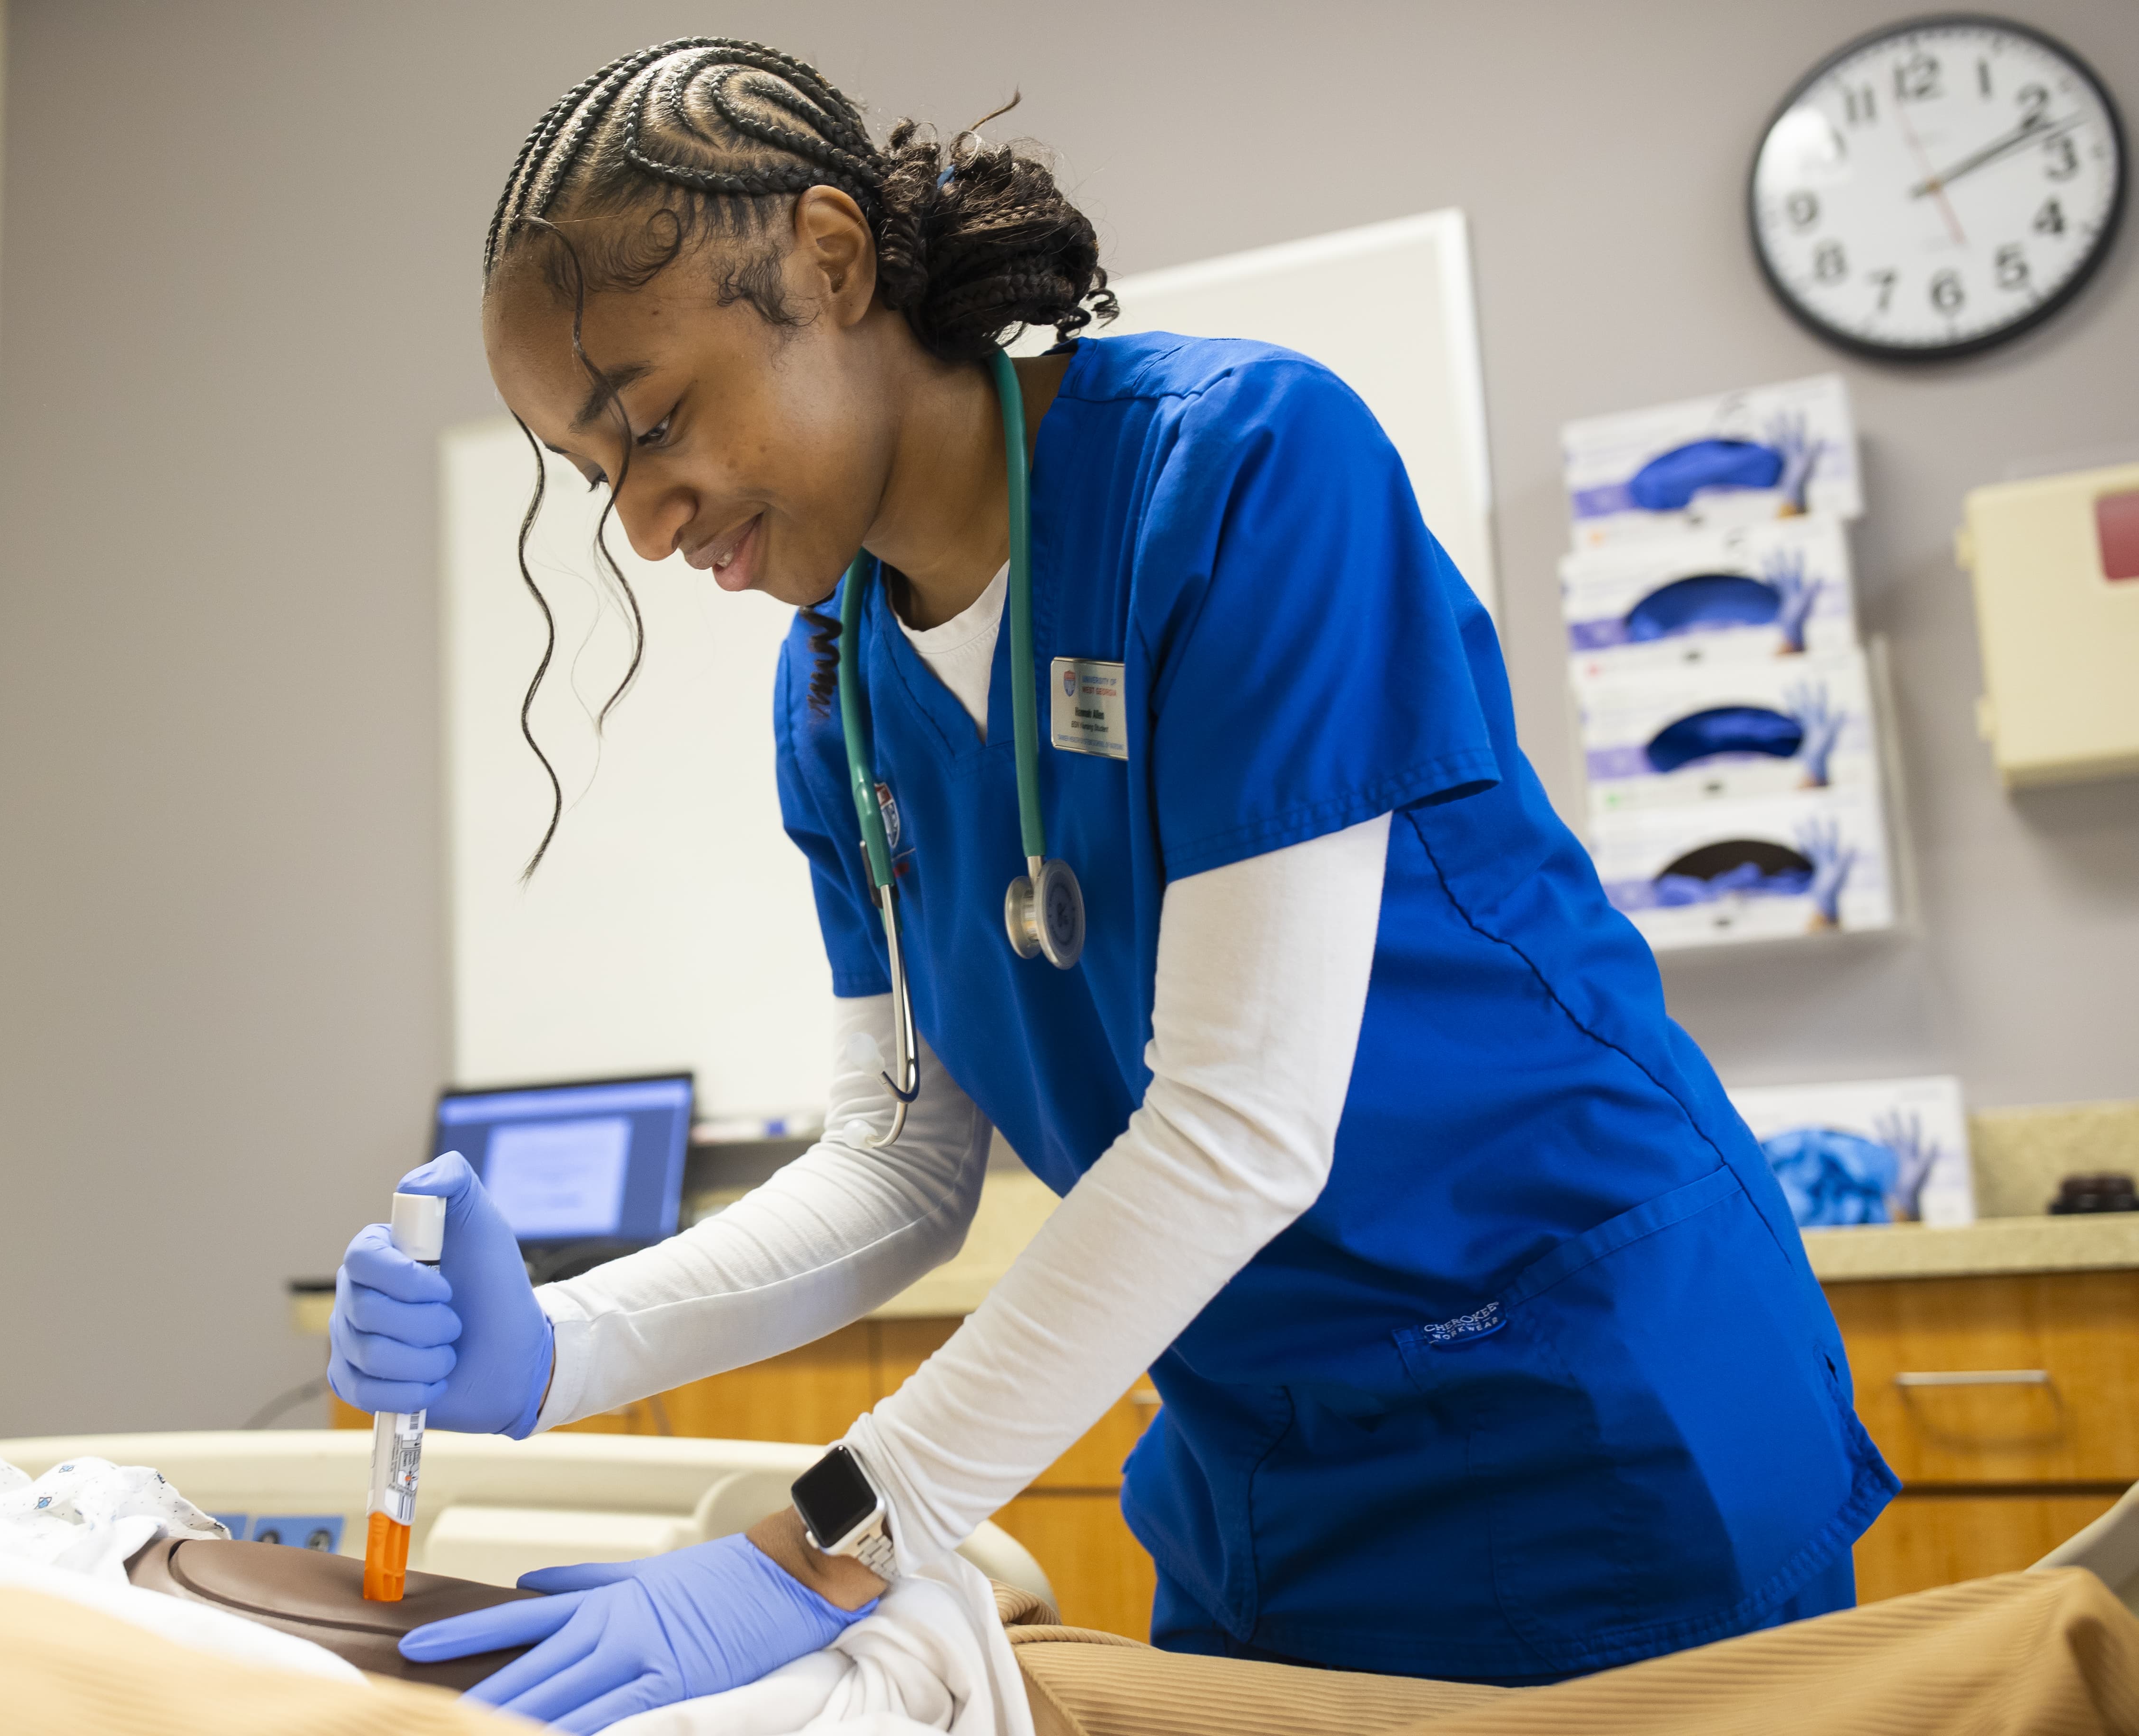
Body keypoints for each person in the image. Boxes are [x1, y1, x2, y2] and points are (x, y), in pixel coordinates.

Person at [329, 38, 1895, 1734]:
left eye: (656, 422)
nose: (642, 522)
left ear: (832, 263)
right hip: (1262, 1457)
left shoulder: (1240, 475)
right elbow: (903, 1161)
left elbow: (1239, 1128)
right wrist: (561, 1347)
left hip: (1574, 1397)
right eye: (595, 470)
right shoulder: (837, 687)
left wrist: (825, 1544)